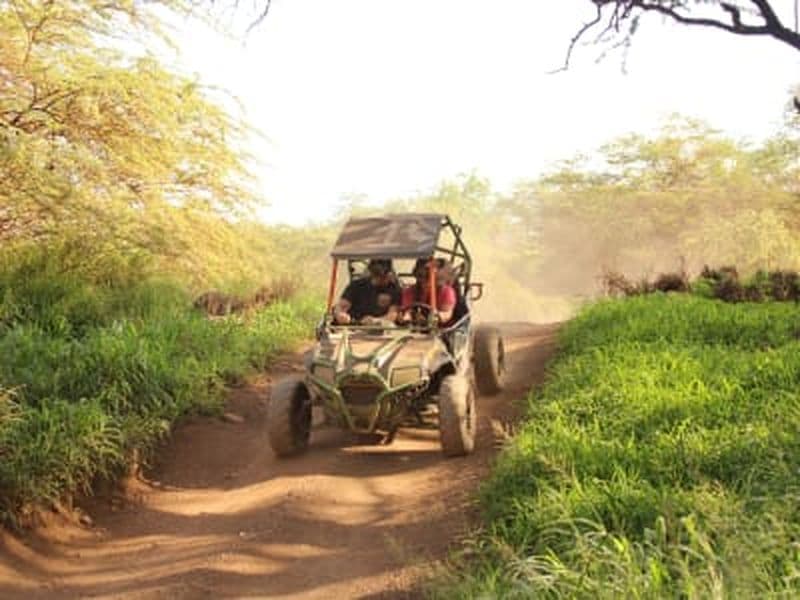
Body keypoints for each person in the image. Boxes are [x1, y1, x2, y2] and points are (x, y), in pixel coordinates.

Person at [333, 258, 401, 324]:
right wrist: (340, 314)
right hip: (354, 325)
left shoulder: (393, 289)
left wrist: (376, 321)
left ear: (389, 274)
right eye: (376, 274)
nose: (379, 279)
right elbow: (342, 306)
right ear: (371, 272)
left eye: (383, 276)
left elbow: (392, 314)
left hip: (382, 329)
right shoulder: (356, 285)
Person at [400, 258, 457, 326]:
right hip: (414, 328)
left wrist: (437, 316)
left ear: (437, 277)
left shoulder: (446, 292)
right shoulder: (410, 291)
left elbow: (446, 314)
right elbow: (406, 310)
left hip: (440, 330)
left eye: (427, 276)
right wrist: (406, 316)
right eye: (420, 276)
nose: (423, 280)